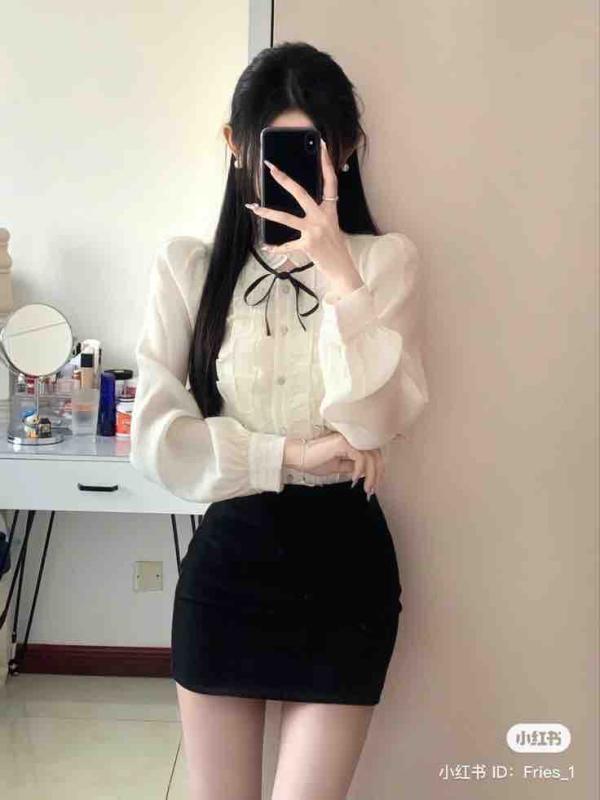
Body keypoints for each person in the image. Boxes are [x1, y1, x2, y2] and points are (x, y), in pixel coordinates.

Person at [130, 41, 429, 800]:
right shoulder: (190, 268)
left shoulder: (385, 263)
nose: (296, 170)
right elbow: (157, 439)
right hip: (229, 563)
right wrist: (293, 454)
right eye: (275, 148)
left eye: (316, 149)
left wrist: (340, 274)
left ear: (348, 152)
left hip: (345, 571)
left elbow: (374, 424)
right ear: (235, 147)